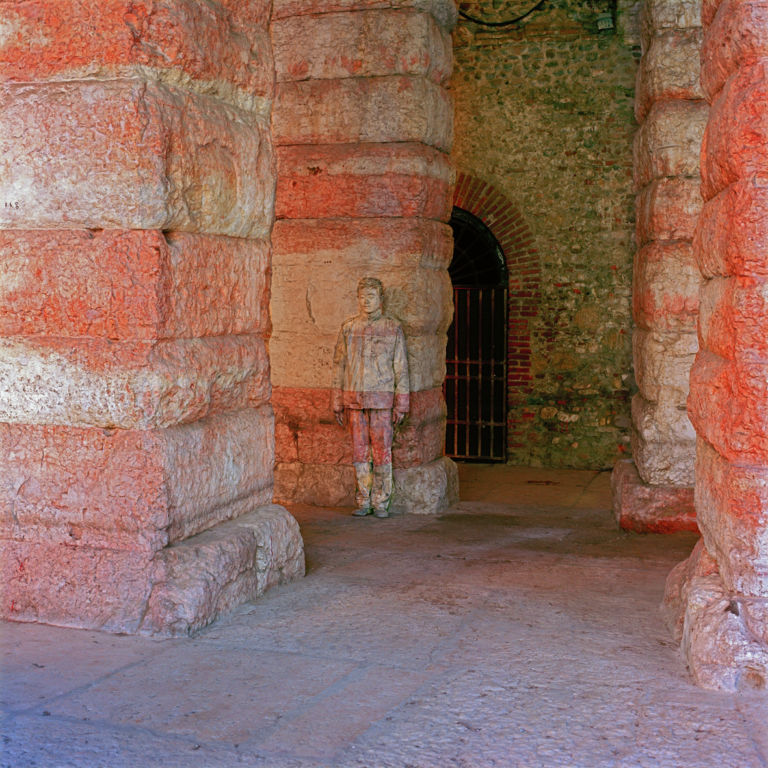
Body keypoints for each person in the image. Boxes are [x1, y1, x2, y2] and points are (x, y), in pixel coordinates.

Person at [332, 277, 409, 518]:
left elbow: (401, 366)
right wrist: (336, 399)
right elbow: (339, 365)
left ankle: (381, 500)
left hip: (382, 398)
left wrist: (402, 402)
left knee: (382, 450)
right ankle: (363, 499)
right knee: (359, 451)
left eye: (371, 296)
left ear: (381, 299)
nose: (366, 301)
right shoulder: (349, 328)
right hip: (355, 398)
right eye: (363, 296)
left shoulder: (392, 327)